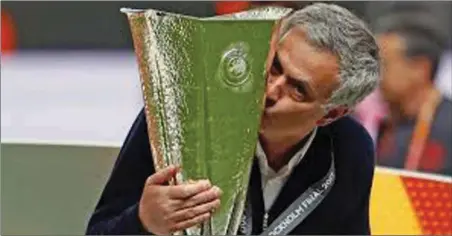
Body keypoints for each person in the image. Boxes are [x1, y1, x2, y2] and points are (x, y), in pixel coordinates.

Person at [86, 3, 380, 235]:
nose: (270, 90)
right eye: (275, 66)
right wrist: (143, 223)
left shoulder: (349, 150)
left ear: (331, 114)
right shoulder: (182, 115)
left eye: (298, 89)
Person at [374, 12, 452, 176]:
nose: (375, 76)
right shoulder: (388, 126)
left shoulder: (447, 128)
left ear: (420, 68)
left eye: (384, 65)